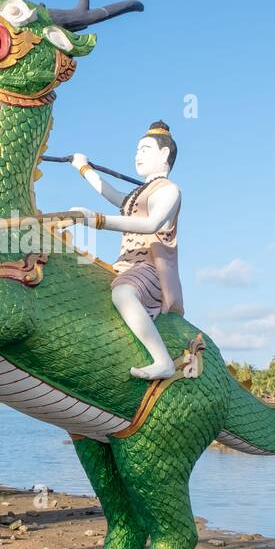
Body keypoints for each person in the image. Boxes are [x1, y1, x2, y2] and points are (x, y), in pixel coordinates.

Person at [69, 121, 183, 380]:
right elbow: (114, 196)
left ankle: (163, 360)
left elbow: (150, 224)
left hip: (150, 268)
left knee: (123, 294)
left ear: (164, 155)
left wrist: (98, 221)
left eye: (144, 149)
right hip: (125, 265)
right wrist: (83, 168)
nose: (137, 155)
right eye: (136, 149)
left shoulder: (169, 191)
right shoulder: (139, 193)